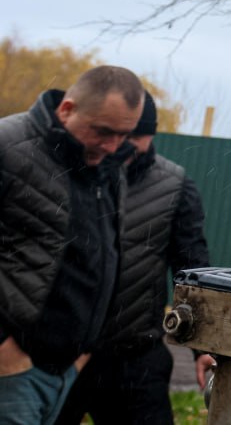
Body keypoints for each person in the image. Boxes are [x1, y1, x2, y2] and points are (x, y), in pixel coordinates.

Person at [54, 92, 214, 425]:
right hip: (62, 354)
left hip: (134, 358)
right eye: (113, 136)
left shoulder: (174, 186)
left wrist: (204, 347)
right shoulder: (66, 173)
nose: (118, 149)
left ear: (150, 135)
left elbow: (193, 270)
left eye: (131, 139)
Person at [0, 66, 144, 425]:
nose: (112, 145)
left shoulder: (108, 165)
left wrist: (84, 352)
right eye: (103, 131)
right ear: (67, 109)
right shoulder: (9, 147)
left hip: (65, 368)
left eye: (123, 135)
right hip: (11, 370)